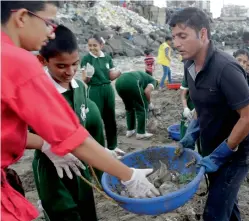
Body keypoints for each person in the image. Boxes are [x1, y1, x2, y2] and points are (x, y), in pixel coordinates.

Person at [1, 2, 159, 220]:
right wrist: (128, 175)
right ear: (21, 18)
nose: (50, 31)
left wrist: (103, 150)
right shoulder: (17, 61)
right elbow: (70, 135)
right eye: (49, 22)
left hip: (80, 162)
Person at [170, 7, 249, 221]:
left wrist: (222, 153)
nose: (176, 43)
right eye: (173, 37)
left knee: (214, 213)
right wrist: (192, 132)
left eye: (182, 36)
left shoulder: (226, 68)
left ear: (202, 34)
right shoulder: (189, 65)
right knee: (227, 203)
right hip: (209, 149)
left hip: (234, 155)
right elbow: (204, 106)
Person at [33, 25, 125, 220]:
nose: (70, 71)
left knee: (87, 211)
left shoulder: (80, 88)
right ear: (43, 61)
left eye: (75, 64)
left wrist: (101, 151)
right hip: (54, 168)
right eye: (61, 66)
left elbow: (80, 128)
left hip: (80, 163)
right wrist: (46, 146)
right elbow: (14, 133)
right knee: (65, 213)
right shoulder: (36, 93)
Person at [81, 34, 121, 152]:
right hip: (94, 89)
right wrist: (88, 75)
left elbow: (111, 77)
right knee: (95, 119)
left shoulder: (107, 58)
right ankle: (99, 149)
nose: (92, 48)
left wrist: (119, 72)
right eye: (90, 45)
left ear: (101, 45)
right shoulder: (86, 58)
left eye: (95, 45)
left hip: (108, 89)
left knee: (110, 118)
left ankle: (113, 146)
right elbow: (85, 80)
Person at [115, 71, 157, 139]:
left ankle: (130, 130)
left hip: (119, 82)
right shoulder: (153, 81)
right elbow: (147, 91)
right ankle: (141, 133)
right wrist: (149, 103)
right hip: (132, 83)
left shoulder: (142, 75)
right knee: (142, 107)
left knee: (129, 107)